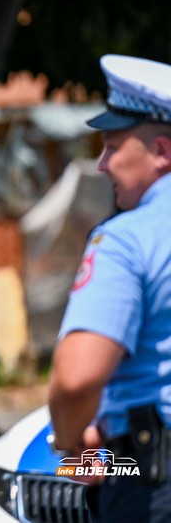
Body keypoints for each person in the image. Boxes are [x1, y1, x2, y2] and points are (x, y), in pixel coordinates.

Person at [48, 54, 171, 522]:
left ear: (161, 151)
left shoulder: (127, 237)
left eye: (113, 146)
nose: (102, 164)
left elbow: (78, 379)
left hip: (151, 480)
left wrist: (68, 439)